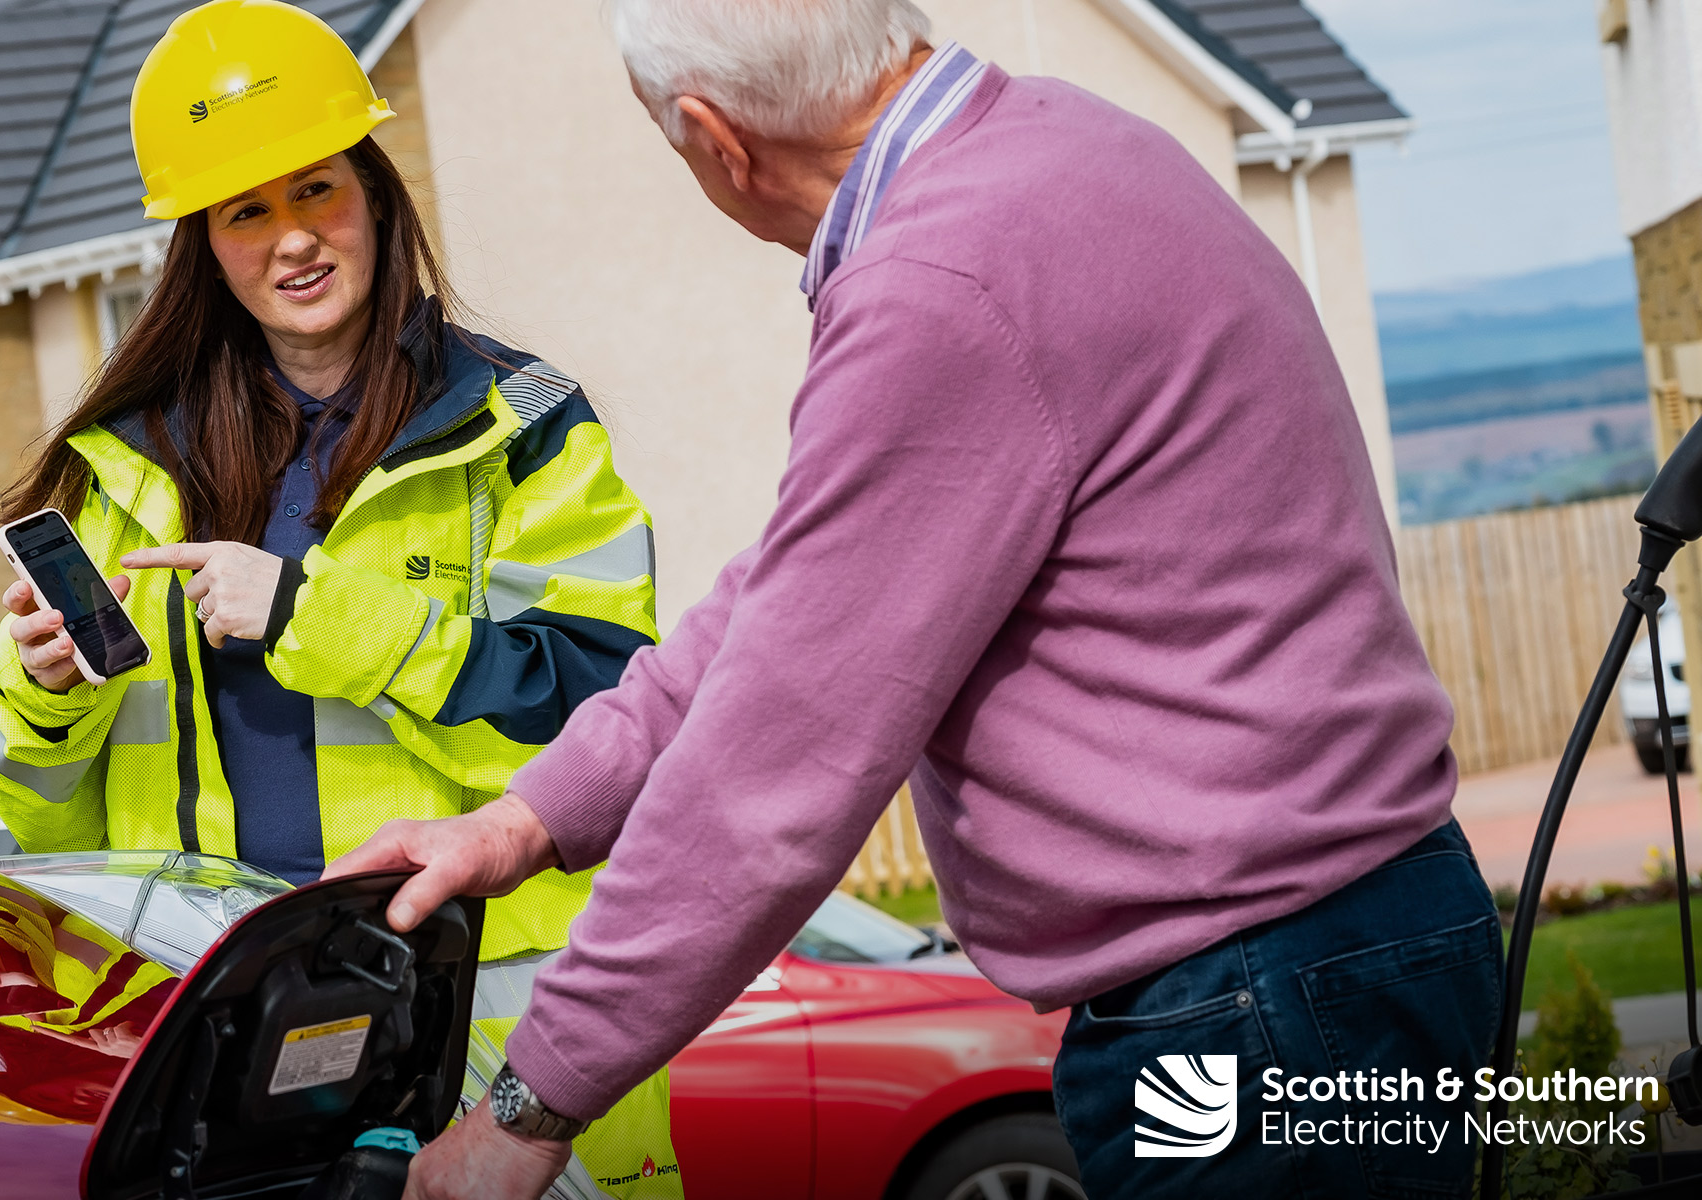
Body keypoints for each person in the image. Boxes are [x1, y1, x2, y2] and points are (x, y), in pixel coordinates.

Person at [328, 2, 1499, 1198]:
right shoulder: (1070, 147)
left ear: (714, 138)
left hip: (1250, 995)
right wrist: (525, 822)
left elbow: (772, 775)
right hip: (1345, 937)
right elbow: (790, 597)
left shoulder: (943, 284)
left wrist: (525, 1112)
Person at [0, 2, 680, 1193]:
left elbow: (605, 719)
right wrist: (44, 693)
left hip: (492, 1023)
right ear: (203, 240)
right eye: (249, 209)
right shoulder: (121, 467)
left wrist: (313, 616)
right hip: (224, 1041)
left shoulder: (526, 428)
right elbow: (44, 819)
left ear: (376, 192)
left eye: (317, 189)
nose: (293, 237)